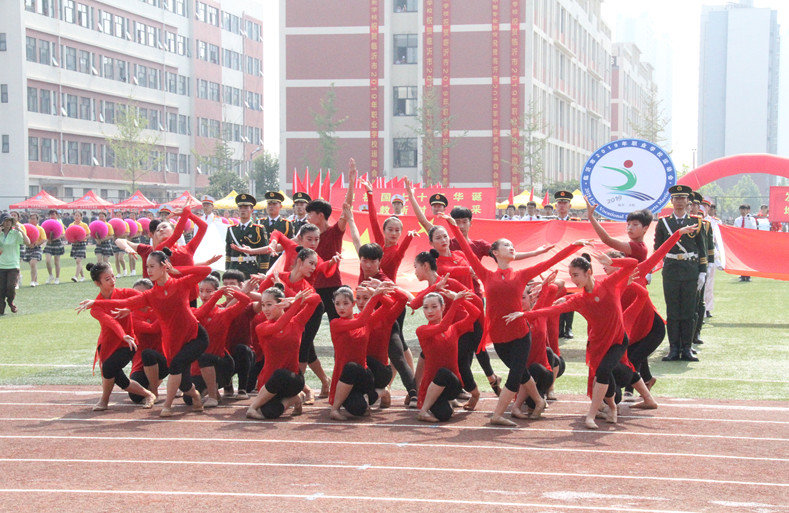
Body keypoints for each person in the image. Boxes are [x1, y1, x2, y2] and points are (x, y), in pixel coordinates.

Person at [442, 214, 587, 426]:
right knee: (522, 373)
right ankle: (538, 402)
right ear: (495, 252)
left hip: (520, 334)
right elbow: (465, 247)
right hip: (499, 336)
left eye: (512, 246)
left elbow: (550, 261)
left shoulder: (520, 275)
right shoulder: (485, 274)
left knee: (515, 374)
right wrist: (452, 226)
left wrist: (573, 247)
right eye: (506, 245)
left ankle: (498, 414)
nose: (511, 248)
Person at [78, 250, 211, 416]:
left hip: (195, 336)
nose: (148, 270)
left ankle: (167, 406)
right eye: (147, 266)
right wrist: (95, 302)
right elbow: (125, 302)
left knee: (176, 365)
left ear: (164, 266)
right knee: (184, 383)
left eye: (152, 266)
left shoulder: (180, 283)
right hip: (174, 341)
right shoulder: (151, 294)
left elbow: (206, 271)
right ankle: (196, 396)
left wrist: (177, 270)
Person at [522, 252, 638, 429]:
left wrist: (613, 261)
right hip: (598, 345)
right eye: (571, 276)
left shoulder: (609, 283)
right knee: (602, 375)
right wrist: (525, 314)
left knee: (604, 371)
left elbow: (633, 263)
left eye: (576, 275)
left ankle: (590, 416)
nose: (573, 280)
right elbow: (552, 311)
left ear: (588, 272)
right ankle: (612, 407)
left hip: (617, 341)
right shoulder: (580, 299)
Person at [410, 255, 485, 410]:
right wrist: (435, 288)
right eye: (427, 308)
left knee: (459, 364)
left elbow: (477, 302)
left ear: (425, 266)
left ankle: (473, 393)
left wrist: (458, 300)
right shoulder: (432, 289)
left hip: (459, 329)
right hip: (441, 330)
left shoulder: (450, 282)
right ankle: (416, 393)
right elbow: (414, 303)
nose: (414, 271)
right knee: (430, 356)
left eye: (415, 267)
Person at [81, 262, 156, 411]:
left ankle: (104, 401)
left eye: (113, 277)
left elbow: (146, 299)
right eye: (107, 279)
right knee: (119, 378)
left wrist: (131, 308)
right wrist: (123, 334)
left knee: (109, 368)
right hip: (109, 344)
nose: (113, 281)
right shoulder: (95, 308)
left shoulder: (125, 293)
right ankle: (148, 394)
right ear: (98, 283)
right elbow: (111, 322)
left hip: (128, 343)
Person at [247, 288, 321, 419]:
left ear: (280, 303)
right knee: (268, 413)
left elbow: (316, 300)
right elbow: (278, 327)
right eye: (263, 305)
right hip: (269, 382)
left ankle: (252, 407)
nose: (265, 309)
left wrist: (293, 301)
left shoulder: (296, 322)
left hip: (293, 379)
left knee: (281, 374)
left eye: (269, 304)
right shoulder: (261, 327)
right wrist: (296, 304)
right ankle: (295, 399)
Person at [653, 185, 707, 362]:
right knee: (673, 310)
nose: (679, 202)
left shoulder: (696, 222)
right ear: (672, 201)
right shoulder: (663, 223)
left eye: (683, 198)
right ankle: (674, 347)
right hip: (671, 269)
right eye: (676, 198)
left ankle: (687, 347)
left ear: (687, 201)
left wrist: (702, 272)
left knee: (689, 311)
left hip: (690, 269)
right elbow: (658, 248)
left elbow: (702, 249)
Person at [328, 284, 393, 421]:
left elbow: (389, 305)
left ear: (353, 304)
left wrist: (378, 294)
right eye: (337, 304)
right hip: (344, 377)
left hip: (363, 375)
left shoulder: (365, 321)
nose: (341, 307)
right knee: (358, 409)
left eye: (345, 303)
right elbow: (361, 321)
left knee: (352, 367)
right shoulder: (335, 323)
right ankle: (377, 394)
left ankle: (335, 409)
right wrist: (375, 295)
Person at [415, 290, 480, 422]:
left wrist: (460, 300)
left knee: (445, 373)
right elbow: (443, 326)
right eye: (425, 307)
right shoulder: (422, 330)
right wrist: (456, 302)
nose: (429, 311)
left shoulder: (454, 329)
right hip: (431, 386)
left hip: (452, 385)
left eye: (434, 307)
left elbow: (475, 313)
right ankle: (427, 409)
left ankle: (425, 410)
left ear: (443, 307)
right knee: (445, 415)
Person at [306, 158, 355, 320]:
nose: (307, 217)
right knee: (308, 324)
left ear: (320, 215)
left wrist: (352, 181)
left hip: (333, 286)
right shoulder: (306, 235)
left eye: (310, 214)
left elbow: (346, 208)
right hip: (312, 286)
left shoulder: (335, 231)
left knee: (338, 323)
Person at [191, 277, 251, 407]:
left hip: (222, 365)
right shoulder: (193, 312)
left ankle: (213, 396)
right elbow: (201, 313)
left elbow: (245, 301)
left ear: (217, 291)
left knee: (205, 358)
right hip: (198, 368)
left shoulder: (224, 313)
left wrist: (234, 291)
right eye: (201, 291)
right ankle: (211, 388)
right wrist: (217, 294)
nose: (204, 295)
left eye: (209, 291)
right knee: (189, 400)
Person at [127, 278, 168, 404]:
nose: (137, 298)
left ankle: (154, 391)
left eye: (141, 294)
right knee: (135, 397)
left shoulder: (159, 309)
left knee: (149, 354)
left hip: (164, 360)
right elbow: (152, 329)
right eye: (134, 294)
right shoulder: (130, 315)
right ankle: (152, 385)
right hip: (140, 363)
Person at [554, 191, 580, 338]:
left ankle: (568, 327)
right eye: (560, 203)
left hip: (571, 264)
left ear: (570, 206)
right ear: (556, 206)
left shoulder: (576, 222)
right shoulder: (550, 223)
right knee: (557, 294)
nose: (562, 206)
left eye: (565, 203)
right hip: (557, 263)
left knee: (570, 295)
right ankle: (558, 328)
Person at [225, 194, 270, 278]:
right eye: (240, 207)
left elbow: (265, 253)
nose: (243, 210)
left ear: (251, 210)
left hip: (251, 268)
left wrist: (262, 271)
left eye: (246, 208)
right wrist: (227, 270)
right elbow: (228, 253)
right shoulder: (231, 229)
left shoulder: (258, 229)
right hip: (234, 268)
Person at [0, 212, 31, 315]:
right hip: (1, 265)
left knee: (10, 287)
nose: (8, 223)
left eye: (9, 220)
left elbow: (28, 242)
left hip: (13, 265)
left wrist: (21, 230)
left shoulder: (16, 233)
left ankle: (10, 302)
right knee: (1, 288)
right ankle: (1, 307)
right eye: (5, 221)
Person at [261, 191, 293, 267]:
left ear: (280, 206)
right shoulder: (260, 222)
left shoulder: (287, 224)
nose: (271, 206)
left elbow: (289, 245)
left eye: (274, 204)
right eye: (269, 204)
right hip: (263, 260)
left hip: (279, 261)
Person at [702, 200, 721, 318]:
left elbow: (718, 240)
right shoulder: (694, 219)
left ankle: (707, 308)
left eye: (705, 206)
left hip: (711, 252)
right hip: (698, 253)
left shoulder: (714, 221)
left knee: (709, 283)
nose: (703, 208)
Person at [732, 204, 757, 282]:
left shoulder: (752, 219)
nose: (743, 211)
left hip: (748, 242)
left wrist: (748, 220)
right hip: (740, 241)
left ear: (748, 210)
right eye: (741, 210)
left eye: (744, 210)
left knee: (748, 259)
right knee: (741, 258)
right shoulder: (737, 220)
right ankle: (742, 275)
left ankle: (748, 275)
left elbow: (754, 229)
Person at [43, 210, 66, 284]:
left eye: (53, 214)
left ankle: (57, 278)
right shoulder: (47, 223)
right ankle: (50, 275)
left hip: (57, 243)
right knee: (47, 260)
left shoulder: (60, 223)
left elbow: (63, 234)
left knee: (56, 262)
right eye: (51, 214)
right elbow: (44, 233)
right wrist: (48, 239)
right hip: (49, 243)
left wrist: (55, 238)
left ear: (57, 215)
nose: (52, 216)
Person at [69, 211, 89, 282]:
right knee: (78, 262)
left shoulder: (84, 225)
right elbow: (69, 234)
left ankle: (76, 276)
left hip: (82, 244)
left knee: (78, 260)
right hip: (74, 244)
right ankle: (82, 276)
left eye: (78, 215)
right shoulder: (71, 225)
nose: (77, 217)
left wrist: (83, 238)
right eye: (75, 215)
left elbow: (88, 234)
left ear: (81, 217)